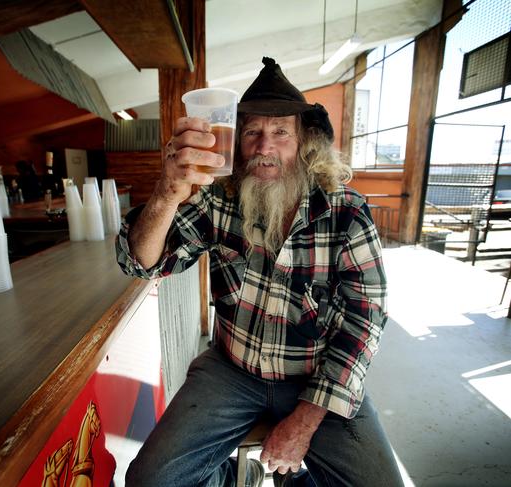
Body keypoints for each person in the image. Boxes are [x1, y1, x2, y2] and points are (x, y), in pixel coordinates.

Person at [115, 57, 403, 487]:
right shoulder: (219, 201)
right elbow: (143, 262)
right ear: (237, 141)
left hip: (316, 378)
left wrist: (304, 422)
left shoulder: (347, 212)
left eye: (280, 132)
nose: (265, 146)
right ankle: (229, 481)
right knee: (151, 481)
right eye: (252, 132)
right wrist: (168, 191)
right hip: (232, 372)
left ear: (304, 141)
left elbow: (365, 323)